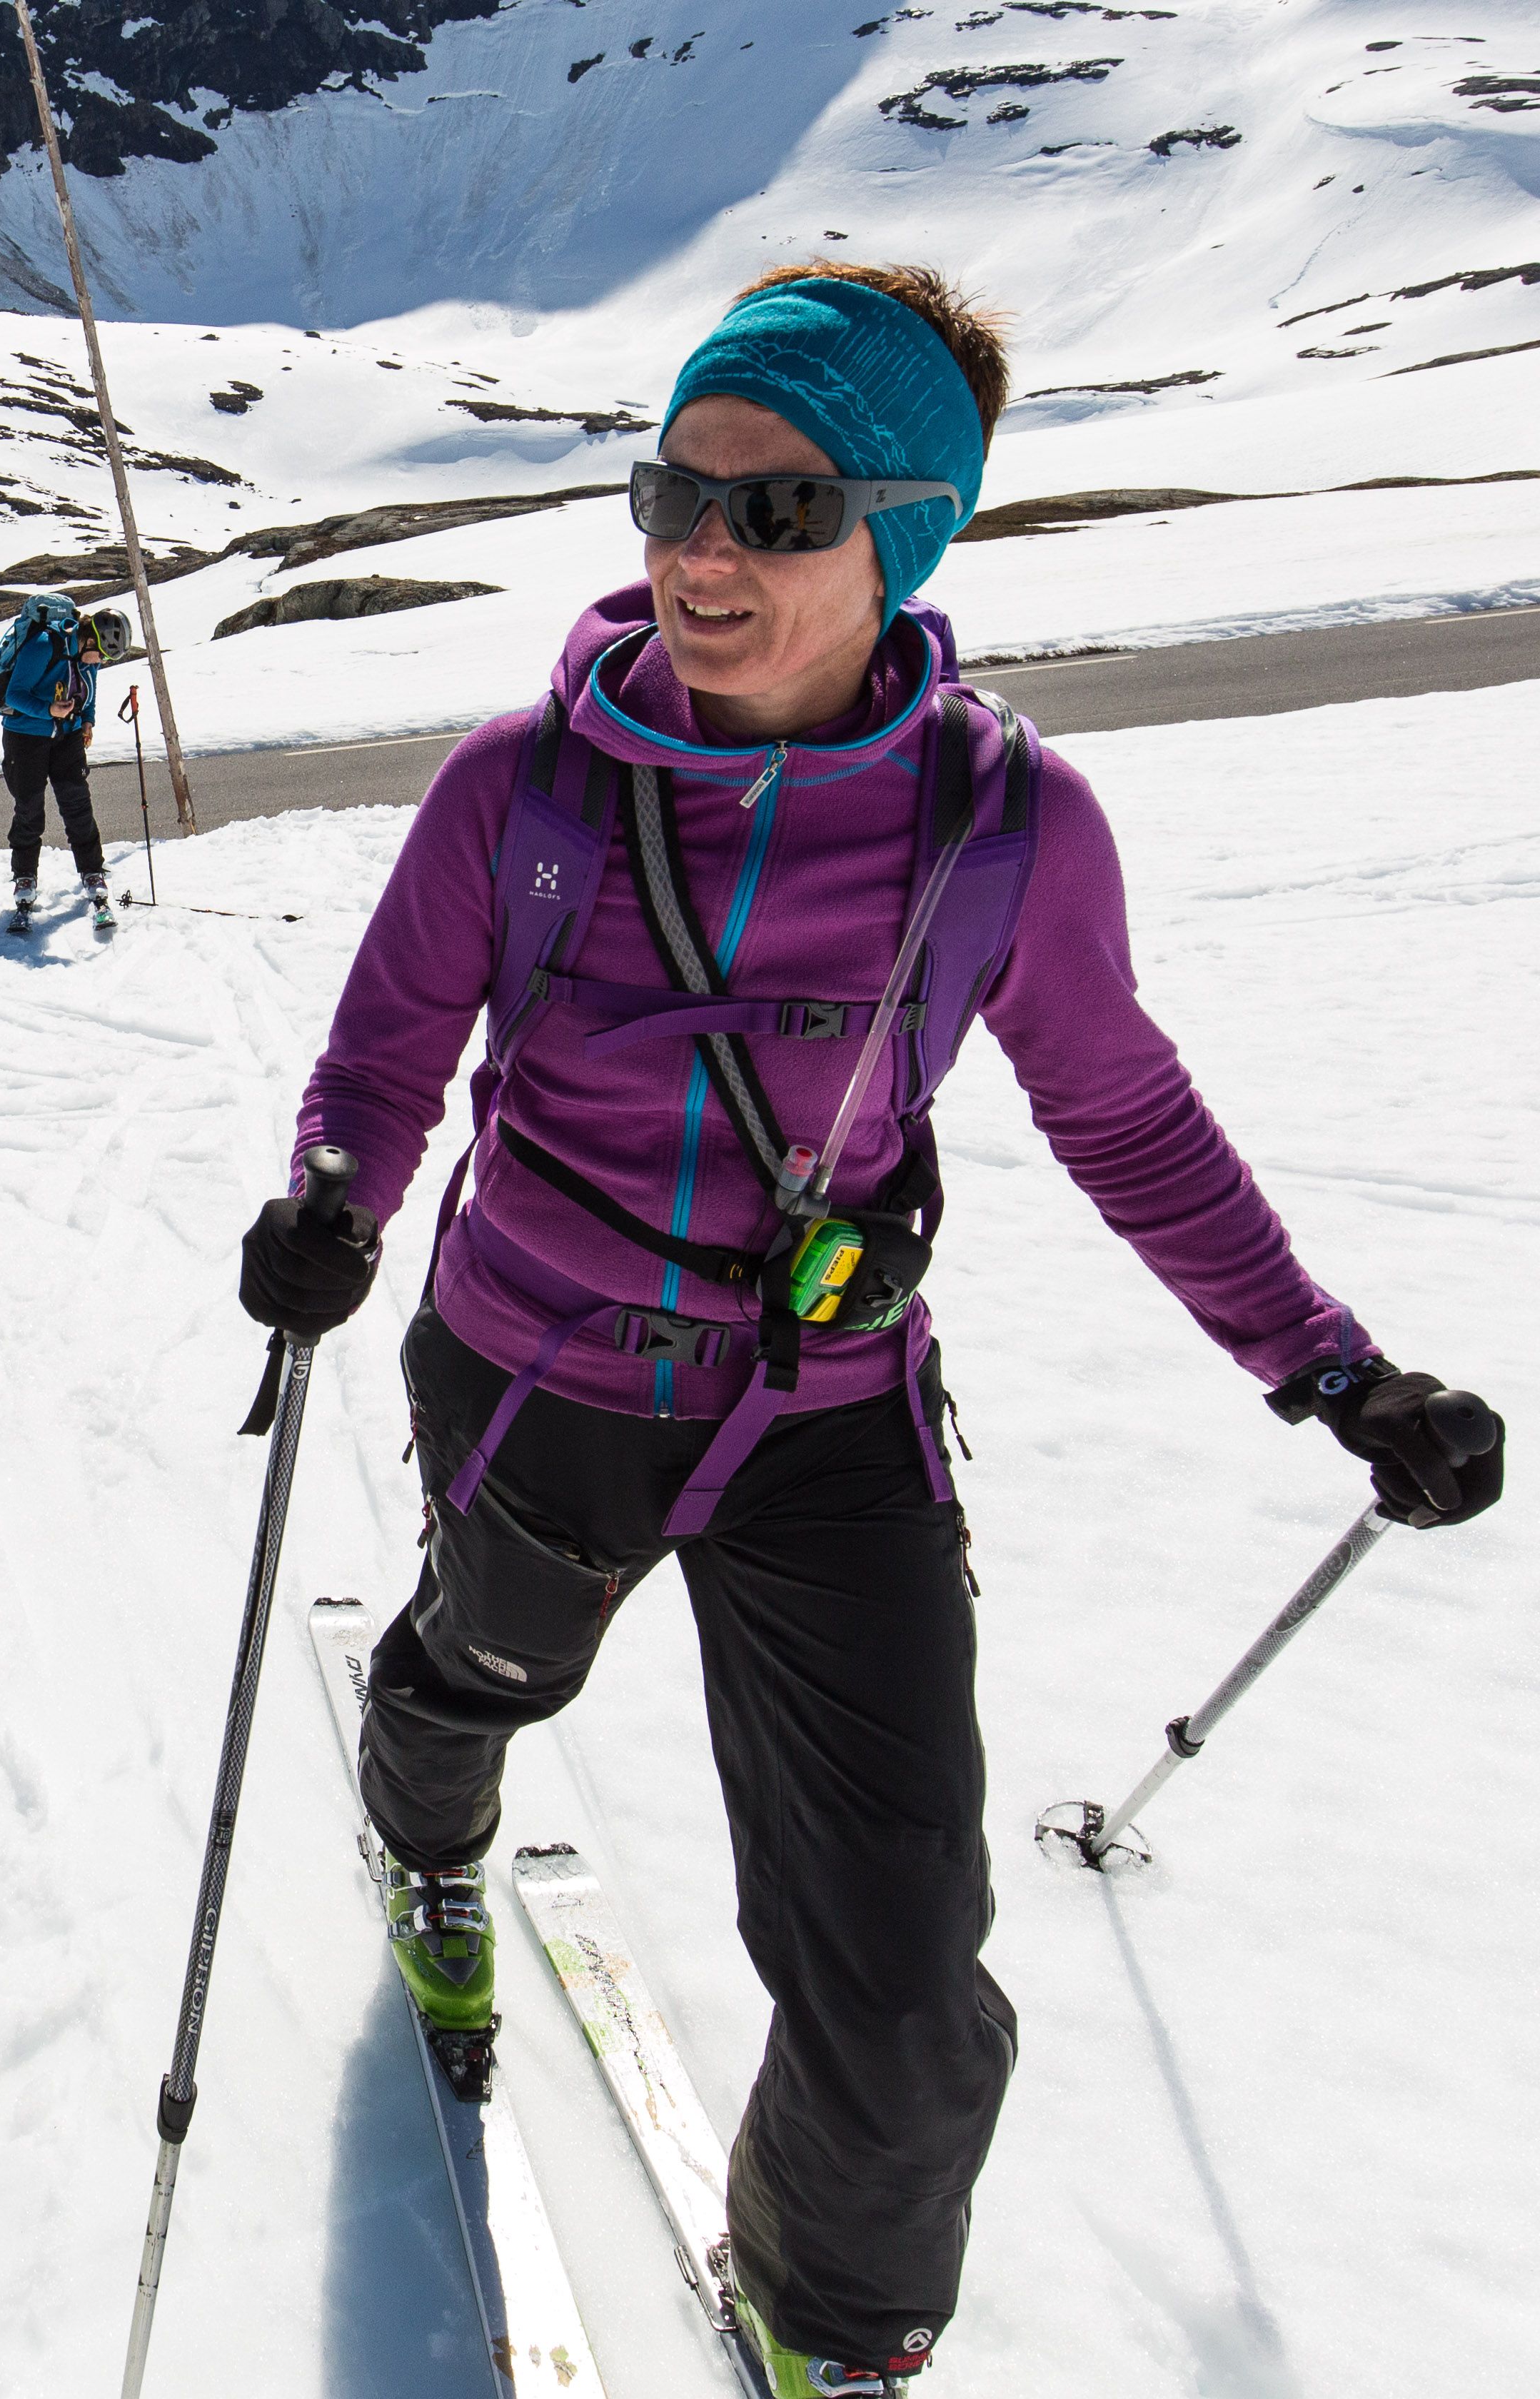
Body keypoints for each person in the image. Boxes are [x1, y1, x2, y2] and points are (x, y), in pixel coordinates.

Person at [236, 261, 1504, 2399]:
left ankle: (829, 2323)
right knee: (489, 1662)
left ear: (903, 534)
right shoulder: (516, 795)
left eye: (778, 510)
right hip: (542, 1359)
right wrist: (336, 1204)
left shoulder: (1005, 827)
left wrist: (1328, 1364)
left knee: (908, 1971)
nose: (701, 555)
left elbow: (1121, 1109)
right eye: (675, 495)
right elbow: (384, 1055)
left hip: (830, 1421)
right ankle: (431, 1820)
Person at [0, 595, 111, 932]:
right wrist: (48, 711)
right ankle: (25, 878)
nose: (100, 661)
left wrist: (88, 720)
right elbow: (14, 695)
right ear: (89, 638)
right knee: (29, 808)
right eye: (100, 653)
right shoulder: (43, 645)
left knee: (77, 804)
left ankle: (93, 872)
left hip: (67, 735)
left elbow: (91, 690)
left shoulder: (88, 659)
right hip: (25, 736)